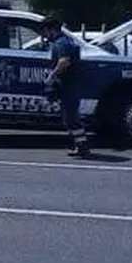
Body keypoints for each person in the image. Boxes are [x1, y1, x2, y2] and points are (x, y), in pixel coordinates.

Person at [42, 16, 89, 158]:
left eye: (45, 31)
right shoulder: (62, 42)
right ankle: (80, 145)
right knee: (70, 118)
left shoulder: (62, 43)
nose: (44, 35)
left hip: (69, 86)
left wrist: (52, 76)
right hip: (69, 86)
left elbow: (64, 62)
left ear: (51, 30)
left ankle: (82, 147)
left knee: (71, 118)